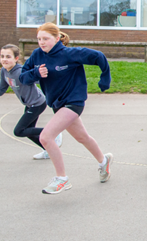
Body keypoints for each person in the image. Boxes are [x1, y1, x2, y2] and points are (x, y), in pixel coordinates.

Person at [19, 22, 112, 194]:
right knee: (82, 137)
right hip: (57, 104)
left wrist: (105, 79)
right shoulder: (37, 55)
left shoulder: (70, 54)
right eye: (39, 39)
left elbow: (99, 56)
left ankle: (62, 179)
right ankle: (103, 161)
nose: (42, 42)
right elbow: (23, 78)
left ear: (56, 38)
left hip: (74, 102)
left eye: (46, 38)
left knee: (46, 137)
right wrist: (36, 74)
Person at [0, 44, 62, 159]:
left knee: (19, 130)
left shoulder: (21, 71)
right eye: (2, 56)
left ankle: (52, 133)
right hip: (29, 104)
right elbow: (1, 89)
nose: (4, 59)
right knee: (28, 131)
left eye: (8, 56)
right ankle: (48, 150)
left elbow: (40, 79)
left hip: (37, 103)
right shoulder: (5, 71)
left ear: (16, 58)